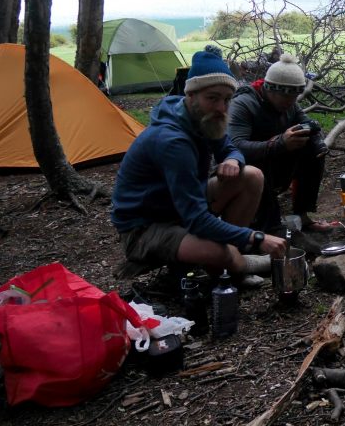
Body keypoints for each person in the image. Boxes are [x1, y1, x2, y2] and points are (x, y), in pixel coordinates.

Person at [112, 46, 287, 281]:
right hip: (145, 228)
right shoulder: (173, 142)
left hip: (177, 206)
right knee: (219, 252)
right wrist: (257, 237)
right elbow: (197, 220)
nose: (221, 108)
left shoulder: (201, 117)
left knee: (251, 176)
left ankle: (230, 261)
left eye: (227, 99)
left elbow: (229, 148)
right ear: (191, 95)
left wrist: (233, 160)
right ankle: (236, 265)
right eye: (212, 98)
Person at [227, 53, 331, 232]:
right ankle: (270, 225)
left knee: (312, 150)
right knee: (257, 167)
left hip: (275, 162)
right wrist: (279, 143)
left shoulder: (288, 102)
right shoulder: (244, 104)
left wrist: (313, 131)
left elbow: (304, 120)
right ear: (270, 89)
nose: (290, 103)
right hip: (245, 171)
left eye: (294, 97)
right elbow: (235, 147)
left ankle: (302, 216)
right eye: (285, 98)